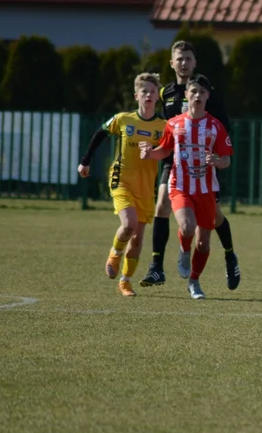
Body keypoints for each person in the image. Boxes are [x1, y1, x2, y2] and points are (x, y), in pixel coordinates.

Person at [140, 40, 241, 291]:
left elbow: (223, 129)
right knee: (163, 203)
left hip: (205, 166)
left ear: (194, 62)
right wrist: (150, 148)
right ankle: (157, 267)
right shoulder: (165, 93)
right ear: (171, 62)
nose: (184, 63)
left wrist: (214, 156)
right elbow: (162, 124)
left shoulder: (209, 92)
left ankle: (229, 255)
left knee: (214, 220)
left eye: (188, 59)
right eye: (179, 59)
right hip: (173, 162)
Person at [77, 73, 167, 298]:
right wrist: (85, 161)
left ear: (158, 97)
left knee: (137, 238)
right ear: (136, 95)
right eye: (144, 91)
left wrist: (154, 153)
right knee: (129, 225)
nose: (148, 95)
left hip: (147, 187)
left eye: (152, 91)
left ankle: (125, 282)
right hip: (121, 180)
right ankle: (115, 254)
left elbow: (168, 153)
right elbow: (100, 133)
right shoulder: (123, 119)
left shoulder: (164, 126)